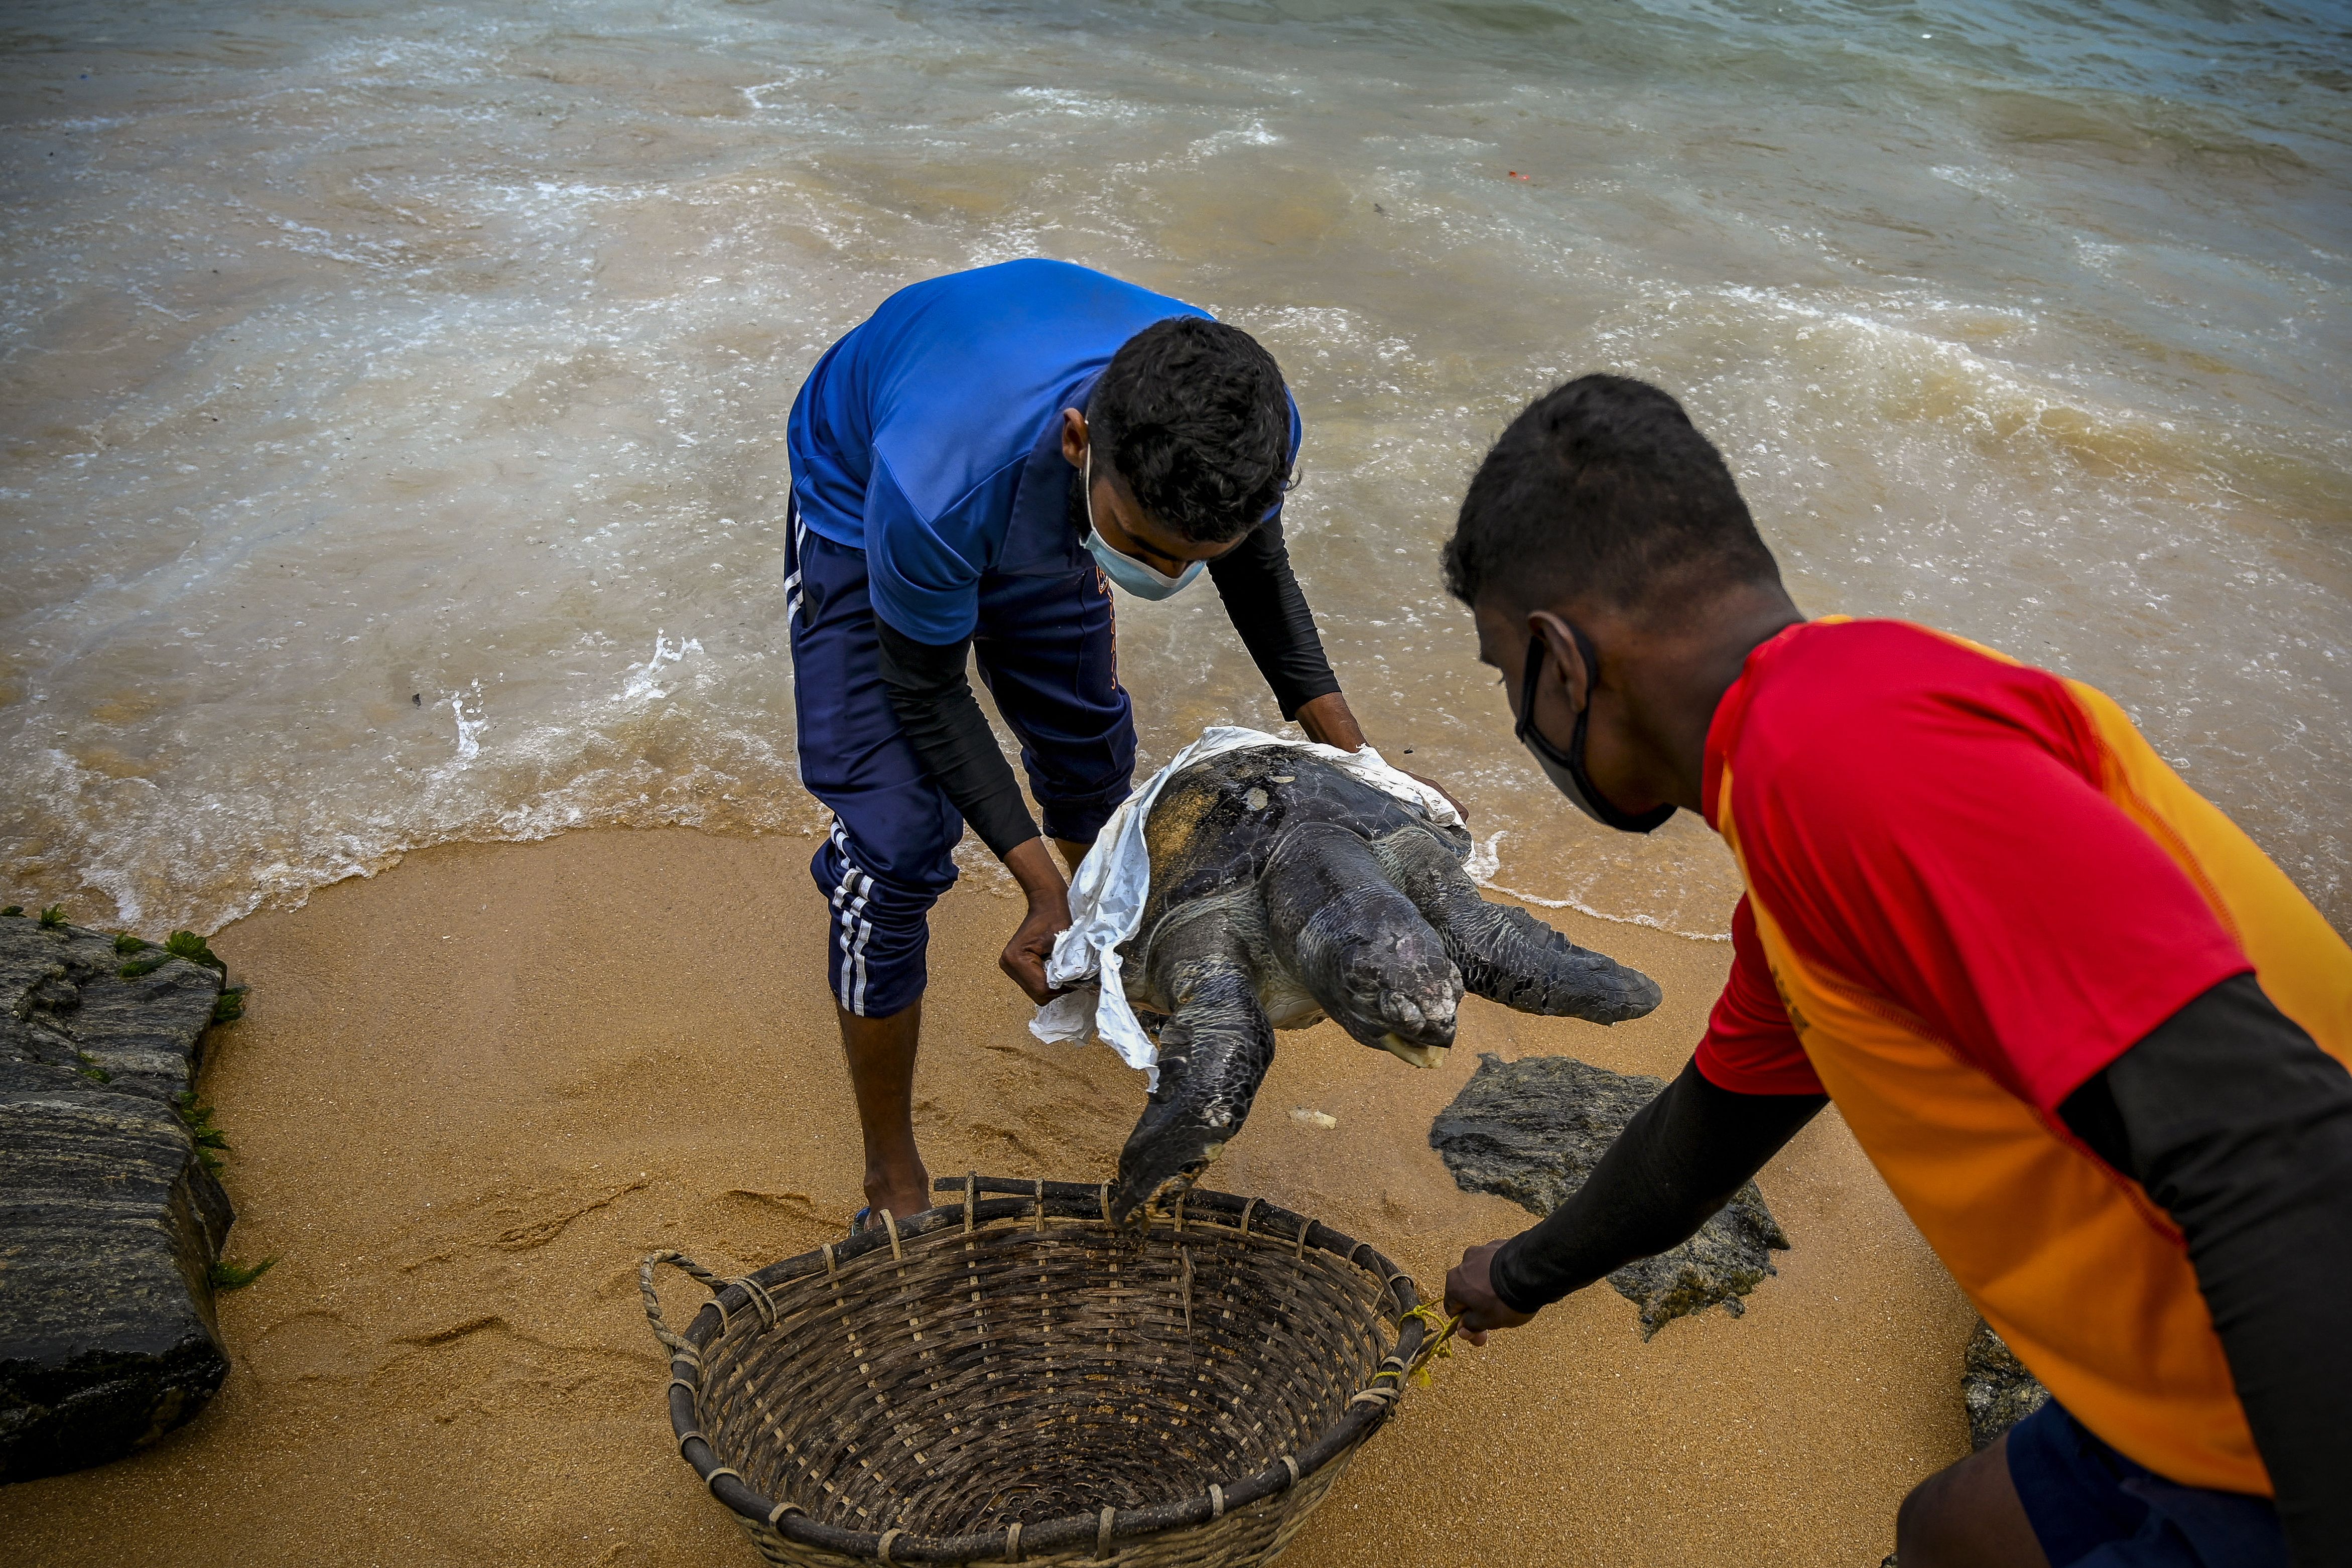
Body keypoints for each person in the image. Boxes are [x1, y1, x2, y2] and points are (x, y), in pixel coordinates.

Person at [1435, 374, 2351, 1567]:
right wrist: (1520, 1272)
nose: (1517, 713)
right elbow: (1701, 1139)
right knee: (1947, 1532)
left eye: (1501, 670)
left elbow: (2284, 1152)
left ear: (1560, 662)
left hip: (2303, 1355)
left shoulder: (1847, 757)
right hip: (2196, 1355)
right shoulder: (1804, 820)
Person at [785, 259, 1377, 1228]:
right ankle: (889, 1173)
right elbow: (924, 689)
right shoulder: (937, 484)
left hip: (1035, 469)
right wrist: (1041, 887)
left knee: (1091, 763)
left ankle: (1119, 970)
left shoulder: (1247, 429)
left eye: (1191, 560)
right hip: (869, 486)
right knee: (892, 851)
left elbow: (1258, 573)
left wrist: (1365, 765)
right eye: (1143, 550)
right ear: (1079, 442)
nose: (1167, 576)